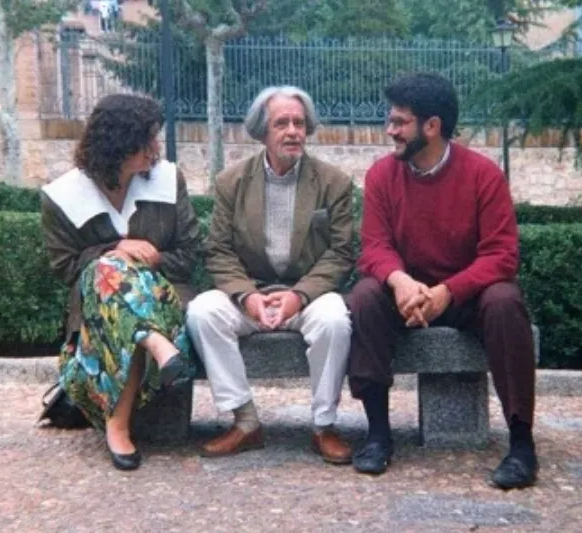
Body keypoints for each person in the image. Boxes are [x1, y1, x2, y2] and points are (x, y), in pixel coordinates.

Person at [345, 73, 539, 489]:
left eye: (399, 122)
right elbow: (374, 247)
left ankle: (522, 444)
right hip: (406, 295)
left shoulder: (483, 175)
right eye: (390, 119)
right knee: (362, 297)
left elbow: (502, 255)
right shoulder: (382, 175)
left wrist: (448, 291)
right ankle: (378, 433)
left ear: (431, 126)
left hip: (466, 296)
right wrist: (399, 282)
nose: (389, 130)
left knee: (505, 301)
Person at [186, 86, 355, 465]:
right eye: (282, 123)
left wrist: (300, 295)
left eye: (299, 123)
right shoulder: (232, 182)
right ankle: (245, 421)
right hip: (253, 292)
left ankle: (323, 426)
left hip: (307, 293)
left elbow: (341, 252)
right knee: (202, 312)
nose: (293, 131)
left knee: (335, 321)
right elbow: (219, 250)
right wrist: (247, 296)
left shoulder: (334, 182)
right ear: (262, 132)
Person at [40, 94, 202, 471]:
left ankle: (118, 425)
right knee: (105, 268)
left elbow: (191, 254)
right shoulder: (63, 196)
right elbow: (67, 269)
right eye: (145, 142)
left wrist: (153, 257)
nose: (155, 150)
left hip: (165, 298)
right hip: (97, 309)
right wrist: (116, 248)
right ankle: (153, 343)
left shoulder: (167, 180)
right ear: (116, 145)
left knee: (114, 278)